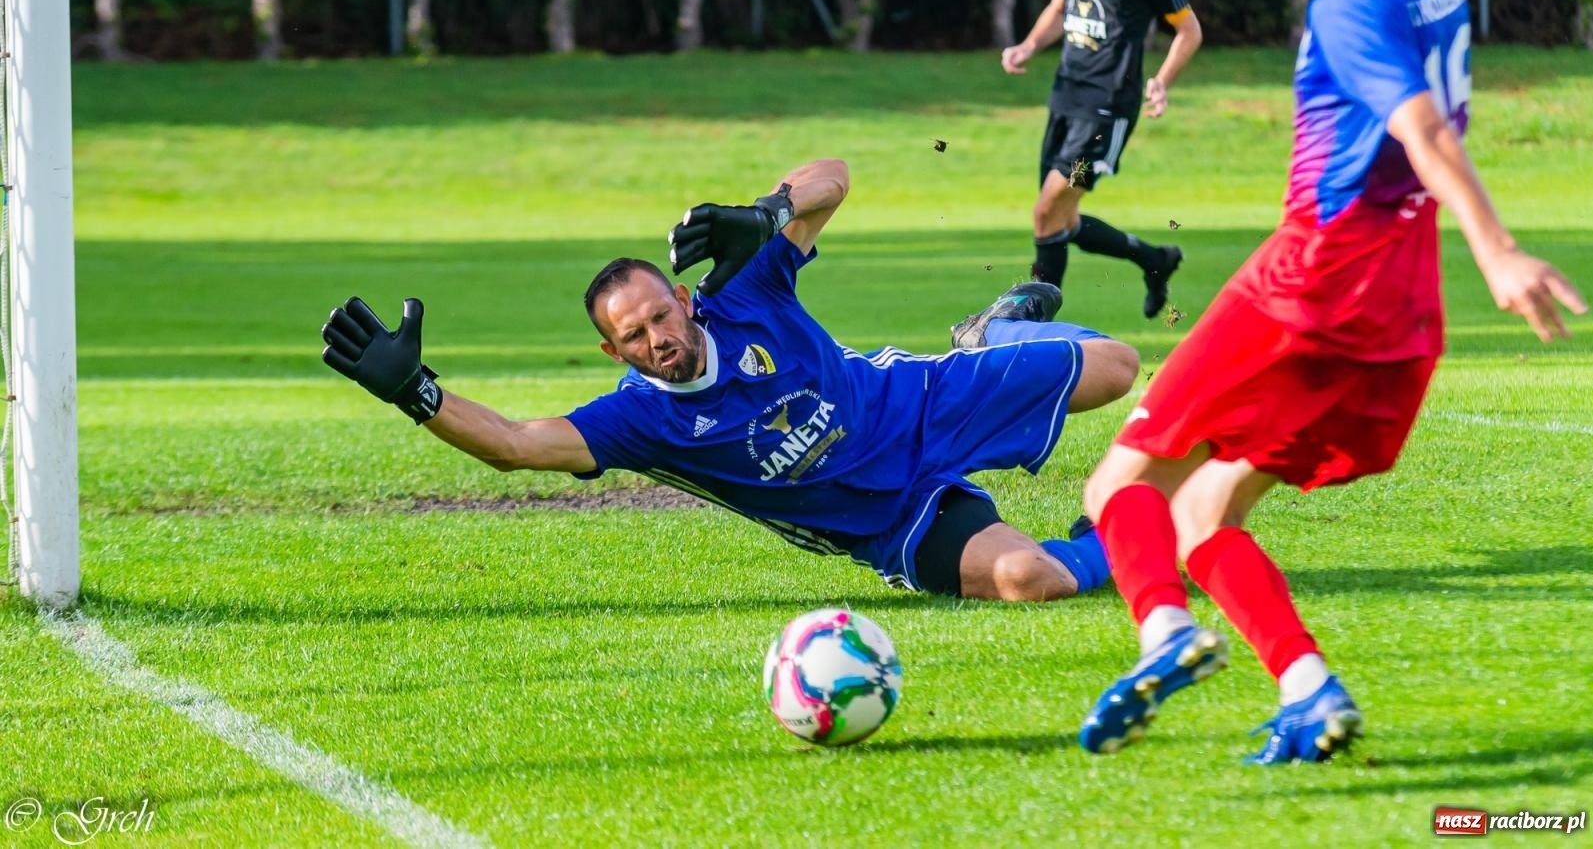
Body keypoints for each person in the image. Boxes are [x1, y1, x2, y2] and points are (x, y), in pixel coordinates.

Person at [1075, 0, 1588, 765]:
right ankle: (1310, 691)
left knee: (1118, 486)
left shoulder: (1348, 0)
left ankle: (1163, 633)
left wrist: (1496, 244)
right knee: (1203, 512)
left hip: (1310, 286)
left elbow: (1422, 128)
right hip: (1398, 310)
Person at [320, 158, 1143, 602]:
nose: (657, 339)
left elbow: (837, 176)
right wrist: (415, 393)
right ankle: (1119, 538)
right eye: (633, 336)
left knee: (1118, 367)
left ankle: (991, 333)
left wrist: (771, 210)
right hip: (892, 520)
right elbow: (511, 445)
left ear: (683, 298)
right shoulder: (638, 423)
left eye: (660, 316)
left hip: (919, 402)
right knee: (1029, 579)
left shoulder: (743, 291)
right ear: (616, 353)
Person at [1001, 0, 1203, 319]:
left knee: (1045, 211)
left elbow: (1189, 30)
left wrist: (1162, 82)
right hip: (1065, 97)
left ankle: (1031, 325)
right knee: (1059, 221)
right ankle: (1154, 260)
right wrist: (1029, 46)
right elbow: (1059, 7)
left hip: (1107, 108)